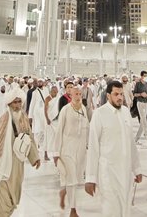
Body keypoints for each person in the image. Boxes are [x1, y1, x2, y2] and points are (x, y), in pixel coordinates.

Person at [0, 84, 40, 217]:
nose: (18, 105)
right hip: (2, 164)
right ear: (9, 103)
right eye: (15, 102)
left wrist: (34, 157)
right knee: (2, 199)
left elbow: (29, 137)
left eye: (20, 102)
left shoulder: (24, 119)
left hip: (17, 164)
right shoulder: (3, 120)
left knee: (13, 195)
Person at [85, 80, 142, 217]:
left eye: (121, 94)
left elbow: (131, 143)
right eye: (116, 94)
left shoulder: (126, 112)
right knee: (111, 210)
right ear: (108, 95)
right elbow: (93, 147)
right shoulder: (99, 114)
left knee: (125, 209)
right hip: (108, 174)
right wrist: (90, 178)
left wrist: (137, 168)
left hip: (126, 172)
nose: (120, 97)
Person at [56, 81, 91, 217]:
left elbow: (87, 127)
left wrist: (89, 144)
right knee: (71, 178)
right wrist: (56, 153)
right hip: (67, 148)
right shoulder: (66, 110)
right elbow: (59, 131)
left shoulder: (82, 109)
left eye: (80, 94)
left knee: (76, 179)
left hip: (81, 148)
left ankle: (64, 191)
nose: (78, 96)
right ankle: (73, 209)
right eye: (76, 94)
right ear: (70, 94)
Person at [134, 71, 147, 145]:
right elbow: (134, 94)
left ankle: (135, 139)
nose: (145, 77)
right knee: (144, 121)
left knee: (143, 122)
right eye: (144, 75)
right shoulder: (138, 84)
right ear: (141, 76)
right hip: (140, 103)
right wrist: (141, 94)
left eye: (146, 75)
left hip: (146, 103)